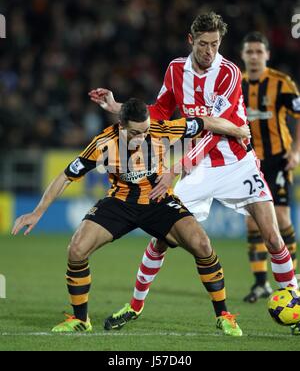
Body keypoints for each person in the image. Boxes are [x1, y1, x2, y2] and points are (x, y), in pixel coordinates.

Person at [89, 12, 298, 331]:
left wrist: (176, 168)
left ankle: (295, 302)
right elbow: (159, 111)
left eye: (215, 44)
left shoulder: (229, 72)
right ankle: (134, 306)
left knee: (272, 235)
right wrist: (121, 109)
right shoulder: (175, 70)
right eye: (203, 44)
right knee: (162, 238)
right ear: (191, 40)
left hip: (235, 162)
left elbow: (215, 129)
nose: (209, 51)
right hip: (198, 169)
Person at [11, 98, 250, 336]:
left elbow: (205, 122)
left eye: (145, 131)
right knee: (76, 250)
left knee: (202, 245)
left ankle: (223, 315)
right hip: (120, 202)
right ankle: (81, 319)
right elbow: (65, 176)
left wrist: (238, 130)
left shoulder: (161, 129)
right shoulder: (103, 143)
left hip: (157, 200)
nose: (142, 137)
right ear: (121, 125)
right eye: (135, 133)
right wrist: (37, 212)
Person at [241, 32, 300, 303]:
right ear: (243, 55)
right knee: (252, 220)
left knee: (281, 216)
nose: (254, 56)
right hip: (248, 160)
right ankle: (260, 283)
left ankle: (292, 282)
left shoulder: (282, 83)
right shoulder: (234, 84)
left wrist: (296, 151)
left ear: (267, 55)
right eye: (249, 52)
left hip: (278, 158)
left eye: (258, 51)